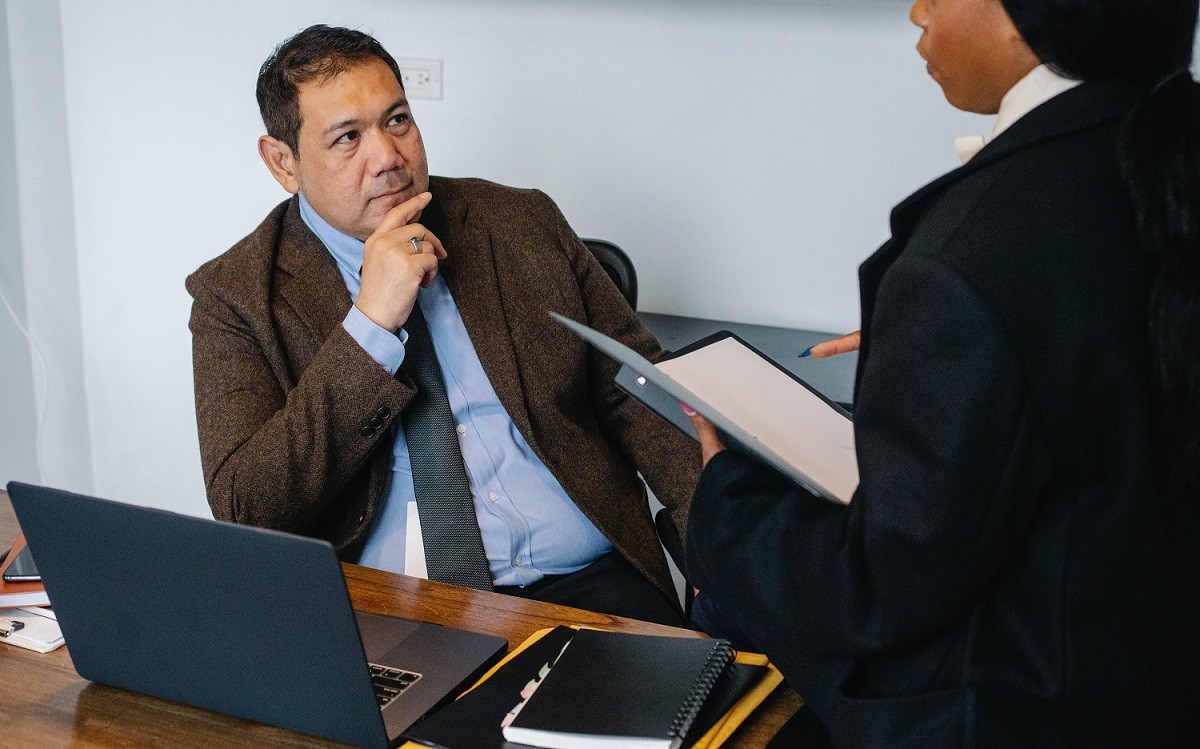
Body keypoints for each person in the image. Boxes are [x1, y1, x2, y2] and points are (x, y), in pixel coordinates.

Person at [684, 0, 1200, 745]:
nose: (916, 10)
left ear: (1034, 16)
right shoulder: (1146, 161)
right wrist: (940, 344)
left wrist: (723, 497)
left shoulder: (975, 250)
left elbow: (884, 585)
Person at [186, 25, 699, 627]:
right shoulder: (235, 296)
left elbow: (640, 398)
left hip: (588, 583)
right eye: (348, 138)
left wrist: (733, 547)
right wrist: (370, 328)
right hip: (394, 611)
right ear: (283, 163)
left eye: (397, 120)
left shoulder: (519, 223)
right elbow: (249, 508)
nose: (388, 158)